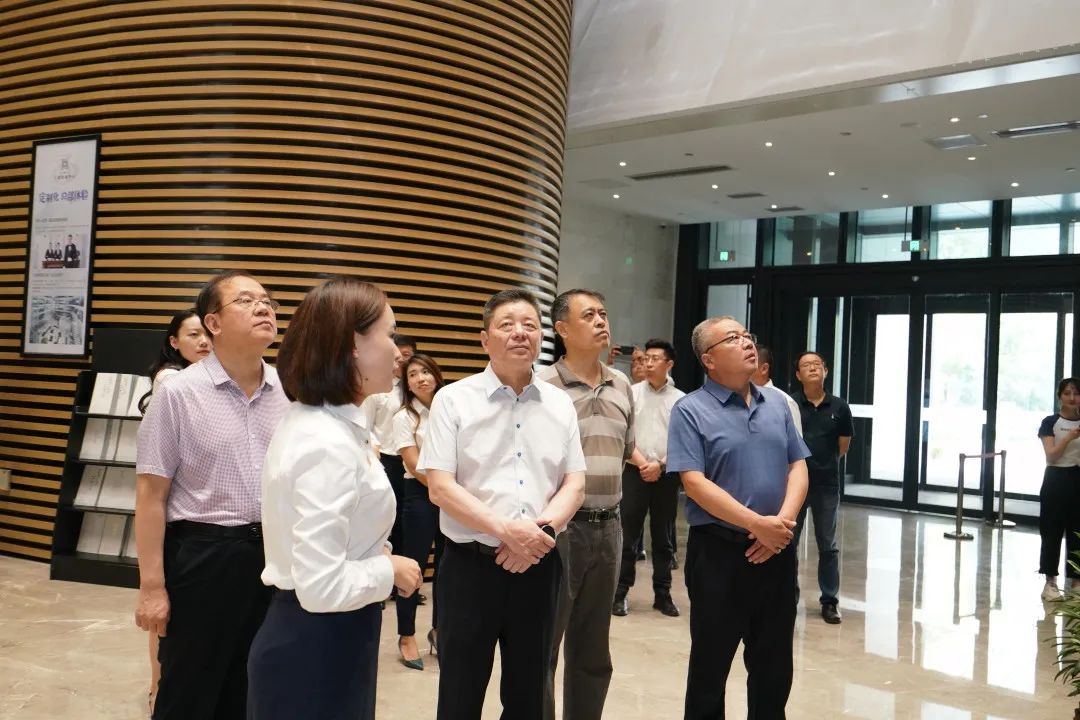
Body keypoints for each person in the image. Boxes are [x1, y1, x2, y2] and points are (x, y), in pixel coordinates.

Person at [247, 277, 422, 720]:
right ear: (352, 346)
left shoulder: (329, 424)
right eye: (389, 334)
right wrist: (389, 570)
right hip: (316, 647)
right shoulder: (325, 440)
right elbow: (321, 586)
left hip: (331, 638)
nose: (398, 352)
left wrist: (374, 553)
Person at [419, 288, 586, 720]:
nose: (520, 333)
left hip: (539, 564)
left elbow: (575, 483)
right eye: (507, 325)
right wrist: (507, 531)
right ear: (484, 339)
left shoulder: (560, 404)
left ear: (542, 338)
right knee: (460, 692)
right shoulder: (453, 399)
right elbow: (440, 486)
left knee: (530, 693)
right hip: (470, 568)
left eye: (530, 325)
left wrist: (539, 534)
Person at [134, 270, 291, 720]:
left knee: (254, 687)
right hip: (204, 557)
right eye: (245, 300)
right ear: (213, 323)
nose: (263, 308)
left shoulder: (290, 390)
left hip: (273, 556)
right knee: (189, 689)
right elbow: (150, 495)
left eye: (267, 301)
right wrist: (152, 588)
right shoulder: (178, 393)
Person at [667, 316, 810, 720]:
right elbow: (694, 483)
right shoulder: (690, 410)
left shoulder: (777, 404)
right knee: (710, 667)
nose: (747, 342)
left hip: (777, 550)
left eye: (748, 335)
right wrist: (756, 524)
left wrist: (780, 524)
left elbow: (797, 466)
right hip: (719, 555)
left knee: (773, 665)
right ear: (709, 359)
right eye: (733, 338)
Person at [538, 289, 648, 720]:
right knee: (544, 644)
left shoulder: (622, 383)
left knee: (593, 648)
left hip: (610, 527)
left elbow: (626, 449)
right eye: (589, 315)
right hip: (559, 530)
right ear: (562, 329)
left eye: (603, 313)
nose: (602, 321)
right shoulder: (541, 387)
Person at [136, 308, 211, 713]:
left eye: (206, 334)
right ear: (173, 342)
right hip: (176, 514)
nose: (203, 341)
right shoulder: (171, 382)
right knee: (165, 616)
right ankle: (157, 684)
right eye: (192, 335)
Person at [614, 338, 685, 618]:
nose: (649, 363)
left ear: (669, 364)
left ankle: (663, 594)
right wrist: (645, 464)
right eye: (647, 358)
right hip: (635, 471)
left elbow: (683, 440)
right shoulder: (631, 394)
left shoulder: (680, 400)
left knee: (663, 537)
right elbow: (623, 435)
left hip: (666, 474)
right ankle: (620, 593)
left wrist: (660, 465)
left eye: (656, 359)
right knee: (628, 535)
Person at [393, 352, 446, 670]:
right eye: (412, 374)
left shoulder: (450, 407)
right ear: (407, 384)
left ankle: (439, 630)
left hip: (450, 494)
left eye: (425, 371)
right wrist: (444, 490)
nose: (420, 378)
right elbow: (413, 464)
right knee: (412, 568)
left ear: (436, 375)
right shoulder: (404, 417)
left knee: (446, 569)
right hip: (420, 493)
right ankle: (406, 635)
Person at [792, 351, 853, 625]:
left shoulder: (839, 407)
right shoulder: (790, 404)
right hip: (794, 483)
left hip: (826, 484)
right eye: (806, 365)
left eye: (817, 364)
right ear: (798, 375)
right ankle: (787, 596)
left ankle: (829, 601)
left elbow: (843, 446)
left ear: (826, 371)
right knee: (788, 542)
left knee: (828, 545)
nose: (813, 368)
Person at [361, 333, 418, 571]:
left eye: (407, 355)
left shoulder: (416, 387)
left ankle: (405, 572)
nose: (402, 359)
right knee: (387, 520)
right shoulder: (379, 388)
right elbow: (366, 425)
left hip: (414, 463)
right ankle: (388, 571)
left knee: (409, 522)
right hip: (388, 460)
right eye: (399, 354)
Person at [1038, 377, 1080, 600]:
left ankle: (1076, 581)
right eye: (1067, 393)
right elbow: (1052, 455)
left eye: (1077, 393)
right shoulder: (1050, 422)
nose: (1072, 398)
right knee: (1052, 531)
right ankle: (1050, 582)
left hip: (1077, 477)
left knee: (1078, 532)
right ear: (1059, 397)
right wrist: (1069, 438)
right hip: (1055, 478)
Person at [138, 309, 212, 414]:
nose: (204, 342)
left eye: (209, 334)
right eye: (194, 334)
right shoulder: (169, 377)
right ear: (174, 342)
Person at [751, 344, 802, 435]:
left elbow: (795, 442)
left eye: (748, 364)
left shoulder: (786, 401)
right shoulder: (737, 397)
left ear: (764, 369)